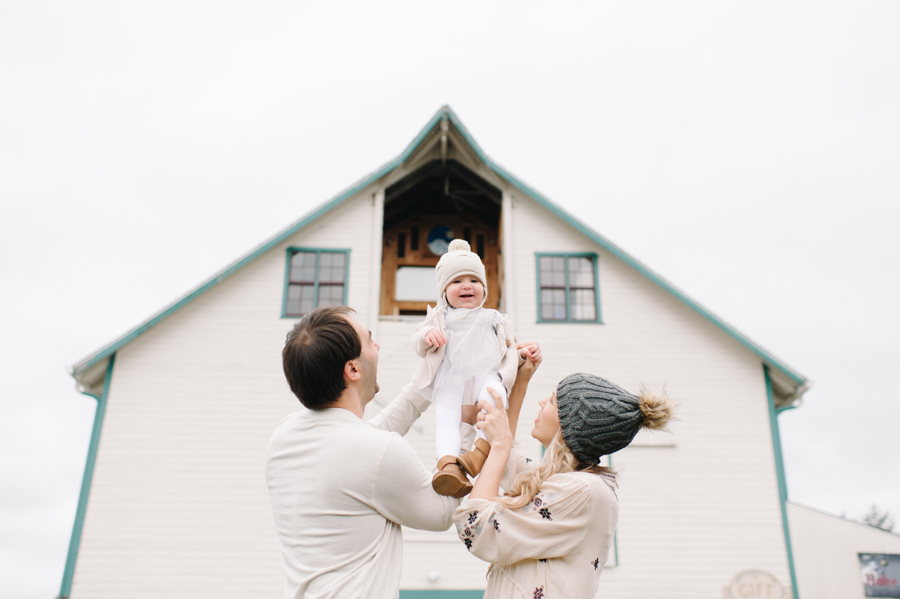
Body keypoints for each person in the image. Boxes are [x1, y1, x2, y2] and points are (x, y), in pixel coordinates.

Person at [265, 305, 459, 599]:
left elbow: (366, 446)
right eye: (370, 341)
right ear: (353, 368)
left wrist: (431, 374)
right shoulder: (375, 452)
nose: (377, 346)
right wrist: (476, 435)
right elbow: (443, 512)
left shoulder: (284, 437)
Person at [454, 373, 675, 599]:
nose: (541, 402)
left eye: (551, 401)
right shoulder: (565, 482)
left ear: (571, 426)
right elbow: (504, 459)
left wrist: (500, 444)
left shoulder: (582, 491)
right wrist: (520, 382)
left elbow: (476, 527)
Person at [411, 238, 536, 497]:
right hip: (451, 378)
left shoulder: (493, 317)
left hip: (486, 375)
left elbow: (507, 346)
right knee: (446, 417)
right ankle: (448, 464)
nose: (466, 285)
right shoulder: (439, 317)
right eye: (456, 281)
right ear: (444, 290)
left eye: (474, 281)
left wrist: (520, 353)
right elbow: (418, 338)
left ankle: (479, 451)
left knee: (495, 399)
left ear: (483, 288)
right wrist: (427, 337)